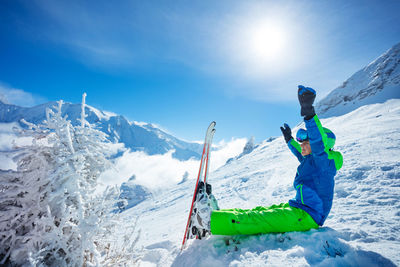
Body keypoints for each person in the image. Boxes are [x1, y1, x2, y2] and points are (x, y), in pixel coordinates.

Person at [192, 85, 343, 237]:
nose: (302, 145)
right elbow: (299, 151)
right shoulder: (312, 161)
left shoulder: (322, 162)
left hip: (308, 216)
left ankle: (210, 223)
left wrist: (308, 112)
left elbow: (317, 142)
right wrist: (289, 140)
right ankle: (219, 215)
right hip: (301, 209)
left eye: (306, 142)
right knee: (259, 212)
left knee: (261, 220)